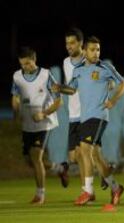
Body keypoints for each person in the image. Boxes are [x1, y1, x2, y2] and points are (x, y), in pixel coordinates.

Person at [62, 36, 124, 206]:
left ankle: (88, 191)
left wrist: (113, 101)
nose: (96, 53)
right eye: (92, 49)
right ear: (84, 51)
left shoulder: (105, 67)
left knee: (84, 150)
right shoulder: (78, 70)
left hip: (99, 115)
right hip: (85, 117)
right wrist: (60, 88)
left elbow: (123, 84)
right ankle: (115, 187)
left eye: (98, 49)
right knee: (96, 157)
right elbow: (71, 89)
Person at [11, 47, 62, 204]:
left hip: (43, 123)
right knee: (30, 161)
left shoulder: (46, 75)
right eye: (22, 64)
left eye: (27, 63)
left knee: (36, 155)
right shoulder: (17, 76)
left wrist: (43, 114)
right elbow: (15, 97)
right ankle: (58, 168)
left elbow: (59, 101)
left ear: (34, 60)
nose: (25, 67)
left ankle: (40, 194)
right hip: (27, 124)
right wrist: (16, 109)